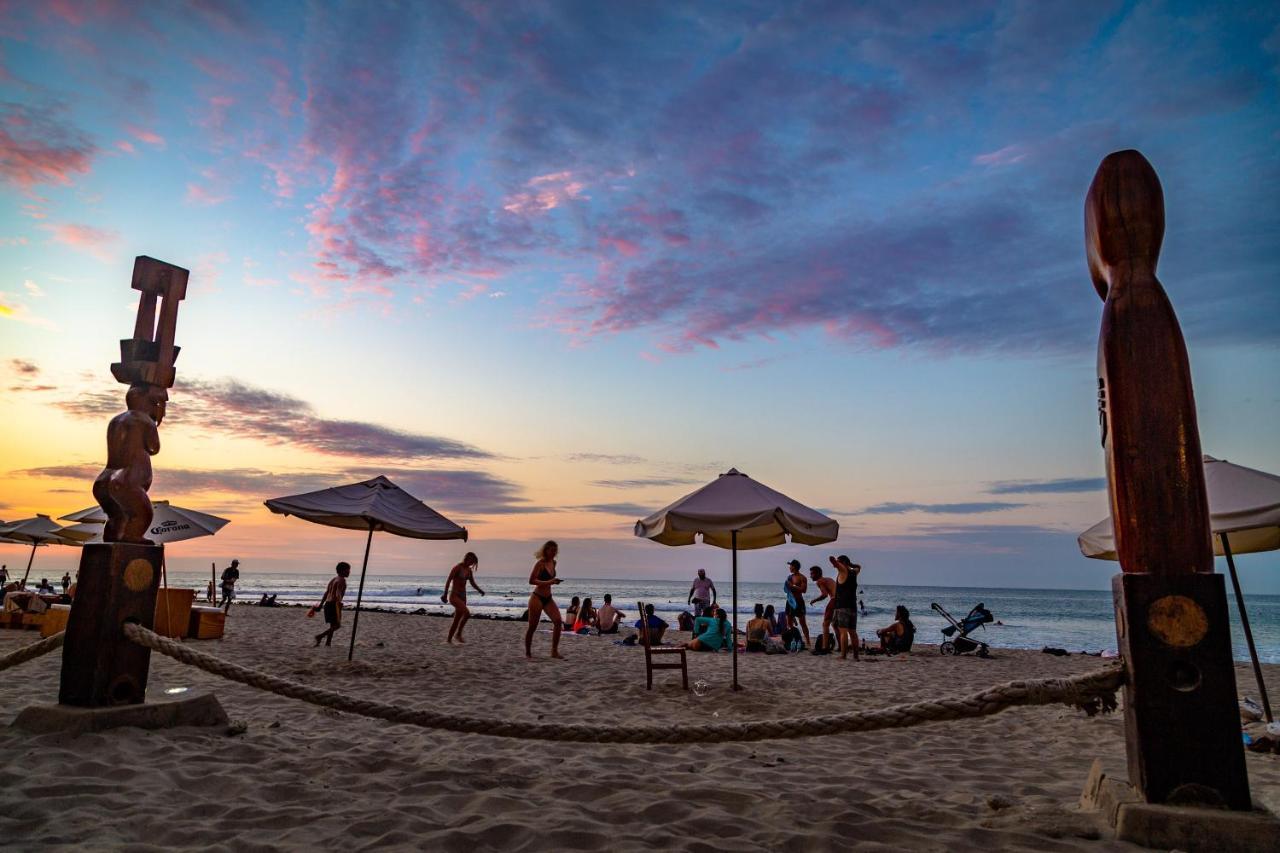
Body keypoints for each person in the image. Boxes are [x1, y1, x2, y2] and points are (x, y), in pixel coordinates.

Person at [525, 541, 564, 659]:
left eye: (554, 550)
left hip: (548, 598)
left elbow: (550, 580)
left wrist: (554, 581)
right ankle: (528, 652)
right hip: (537, 598)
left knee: (558, 621)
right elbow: (531, 581)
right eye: (551, 550)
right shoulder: (540, 564)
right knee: (532, 627)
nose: (553, 553)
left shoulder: (554, 563)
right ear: (545, 550)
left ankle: (554, 651)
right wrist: (550, 582)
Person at [442, 552, 483, 644]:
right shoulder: (457, 568)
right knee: (467, 613)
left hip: (463, 596)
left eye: (473, 562)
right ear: (466, 558)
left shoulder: (469, 571)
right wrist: (445, 594)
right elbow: (449, 580)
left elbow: (472, 583)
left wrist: (479, 590)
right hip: (454, 595)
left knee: (456, 620)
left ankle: (448, 640)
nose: (471, 563)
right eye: (471, 561)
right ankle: (458, 634)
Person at [308, 561, 350, 647]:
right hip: (334, 604)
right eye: (347, 570)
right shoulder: (342, 580)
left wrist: (320, 605)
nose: (349, 572)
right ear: (342, 571)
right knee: (337, 625)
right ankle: (320, 636)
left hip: (327, 604)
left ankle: (328, 643)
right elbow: (338, 593)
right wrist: (339, 603)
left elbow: (326, 593)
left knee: (333, 625)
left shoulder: (334, 579)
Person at [829, 555, 861, 660]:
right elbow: (858, 567)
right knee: (852, 632)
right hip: (853, 607)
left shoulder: (843, 571)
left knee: (843, 632)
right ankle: (856, 656)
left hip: (842, 606)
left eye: (839, 562)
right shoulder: (854, 572)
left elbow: (838, 565)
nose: (836, 565)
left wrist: (833, 561)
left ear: (843, 563)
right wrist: (850, 564)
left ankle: (843, 656)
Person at [808, 565, 836, 653]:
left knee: (825, 624)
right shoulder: (829, 579)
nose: (810, 576)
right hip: (842, 601)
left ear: (817, 574)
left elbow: (824, 595)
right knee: (835, 625)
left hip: (834, 600)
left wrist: (814, 600)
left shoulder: (820, 581)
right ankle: (840, 647)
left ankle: (825, 648)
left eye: (812, 574)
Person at [784, 560, 809, 649]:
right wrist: (788, 587)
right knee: (789, 623)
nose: (789, 567)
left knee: (803, 623)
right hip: (790, 601)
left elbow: (804, 590)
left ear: (794, 566)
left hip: (799, 601)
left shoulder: (802, 577)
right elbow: (787, 589)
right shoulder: (789, 577)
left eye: (790, 566)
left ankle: (808, 641)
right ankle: (793, 639)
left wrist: (792, 586)